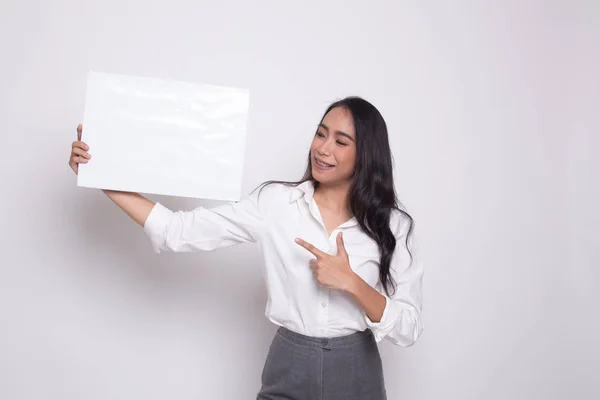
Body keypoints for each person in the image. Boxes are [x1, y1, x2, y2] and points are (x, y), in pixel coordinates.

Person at [69, 96, 424, 399]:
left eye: (341, 141)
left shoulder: (393, 226)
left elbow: (407, 328)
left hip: (356, 373)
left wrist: (353, 283)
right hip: (289, 364)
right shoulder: (275, 204)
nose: (323, 148)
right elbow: (177, 230)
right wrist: (101, 175)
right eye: (321, 134)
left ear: (366, 155)